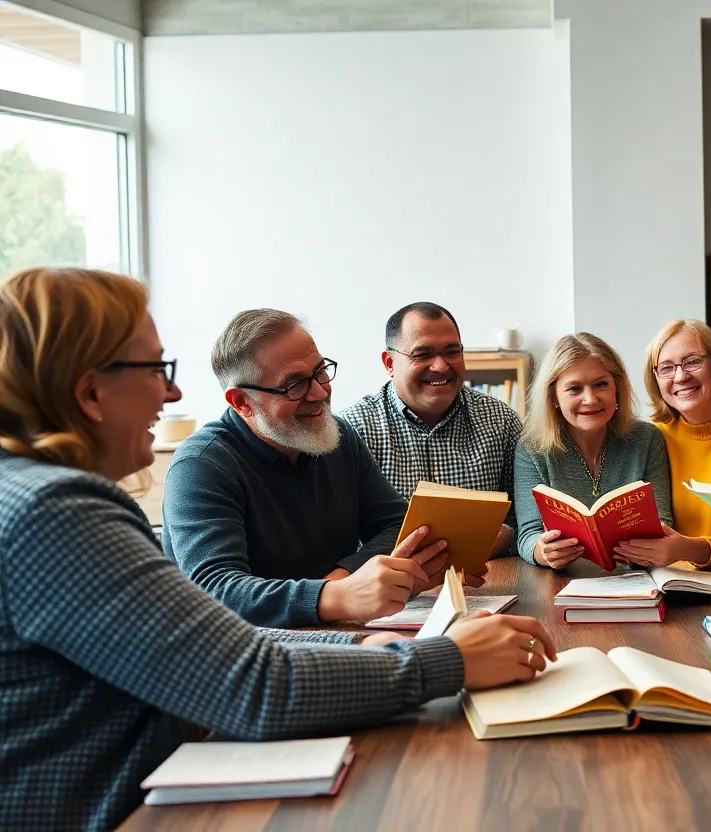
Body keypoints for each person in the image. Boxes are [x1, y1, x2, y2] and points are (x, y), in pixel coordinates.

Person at [0, 267, 557, 832]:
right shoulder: (57, 512)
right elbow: (249, 682)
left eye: (320, 374)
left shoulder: (34, 496)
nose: (171, 392)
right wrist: (450, 659)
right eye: (156, 368)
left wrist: (360, 641)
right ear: (90, 393)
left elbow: (226, 645)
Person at [162, 309, 479, 629]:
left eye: (320, 372)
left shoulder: (336, 437)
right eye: (294, 385)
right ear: (242, 402)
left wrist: (343, 580)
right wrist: (337, 596)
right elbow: (215, 590)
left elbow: (397, 525)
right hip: (241, 651)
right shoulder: (202, 465)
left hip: (333, 631)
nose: (320, 393)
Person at [341, 302, 521, 557]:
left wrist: (510, 535)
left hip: (489, 583)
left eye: (452, 352)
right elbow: (340, 537)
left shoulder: (500, 421)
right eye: (422, 354)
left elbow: (528, 519)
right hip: (392, 588)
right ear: (389, 362)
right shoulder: (355, 430)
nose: (441, 366)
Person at [612, 319, 711, 569]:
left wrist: (687, 548)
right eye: (666, 368)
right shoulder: (652, 436)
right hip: (664, 579)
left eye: (693, 362)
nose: (680, 376)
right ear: (656, 379)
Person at [514, 333, 673, 568]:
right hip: (562, 581)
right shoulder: (532, 448)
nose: (590, 399)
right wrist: (542, 551)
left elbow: (662, 522)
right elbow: (528, 535)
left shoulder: (646, 439)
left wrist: (647, 550)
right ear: (553, 397)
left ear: (617, 388)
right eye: (574, 389)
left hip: (635, 576)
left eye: (601, 385)